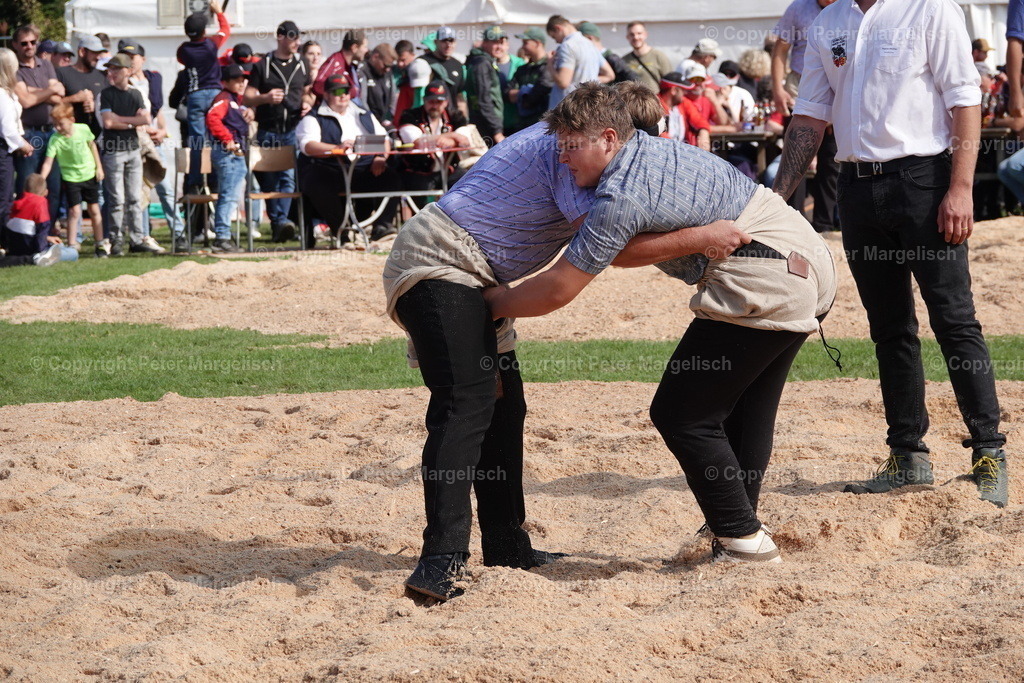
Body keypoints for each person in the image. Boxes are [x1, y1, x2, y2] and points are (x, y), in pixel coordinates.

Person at [380, 82, 746, 600]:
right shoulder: (569, 148)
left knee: (506, 408)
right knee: (466, 403)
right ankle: (441, 560)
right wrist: (704, 238)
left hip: (477, 273)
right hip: (439, 262)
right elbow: (609, 247)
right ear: (615, 136)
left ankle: (507, 544)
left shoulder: (576, 138)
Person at [484, 83, 836, 564]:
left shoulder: (619, 195)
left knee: (680, 413)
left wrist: (492, 301)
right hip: (809, 261)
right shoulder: (656, 151)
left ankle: (742, 540)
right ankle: (733, 527)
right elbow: (623, 251)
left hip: (766, 277)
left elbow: (559, 289)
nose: (562, 158)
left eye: (571, 146)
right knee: (747, 409)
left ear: (609, 138)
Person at [773, 0, 1008, 507]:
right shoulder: (827, 22)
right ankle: (908, 455)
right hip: (858, 189)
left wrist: (961, 188)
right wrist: (774, 201)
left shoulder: (931, 9)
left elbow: (964, 100)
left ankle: (989, 451)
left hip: (924, 181)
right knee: (890, 327)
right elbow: (809, 117)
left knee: (954, 319)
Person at [296, 72, 402, 244]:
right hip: (330, 169)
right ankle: (342, 232)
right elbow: (308, 146)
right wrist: (337, 148)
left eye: (346, 91)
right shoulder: (314, 117)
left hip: (363, 168)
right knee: (316, 181)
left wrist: (380, 157)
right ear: (327, 94)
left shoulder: (363, 114)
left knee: (391, 178)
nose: (343, 96)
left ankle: (382, 228)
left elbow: (384, 140)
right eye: (337, 92)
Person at [772, 0, 841, 233]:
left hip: (835, 85)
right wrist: (777, 88)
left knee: (831, 161)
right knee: (796, 157)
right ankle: (794, 223)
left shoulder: (849, 8)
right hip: (799, 87)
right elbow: (780, 49)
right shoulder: (797, 8)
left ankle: (824, 224)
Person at [244, 20, 313, 243]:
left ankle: (281, 222)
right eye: (293, 37)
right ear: (280, 37)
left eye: (298, 37)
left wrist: (306, 103)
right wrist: (265, 98)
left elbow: (307, 92)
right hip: (268, 130)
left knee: (288, 179)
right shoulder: (263, 64)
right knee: (268, 182)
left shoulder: (302, 63)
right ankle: (278, 223)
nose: (297, 42)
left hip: (292, 129)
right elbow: (247, 96)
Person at [99, 53, 157, 255]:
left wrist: (121, 120)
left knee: (134, 197)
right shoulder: (107, 94)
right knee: (117, 199)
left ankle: (136, 239)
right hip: (114, 151)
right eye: (110, 69)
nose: (111, 73)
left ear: (128, 71)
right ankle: (116, 240)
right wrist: (132, 121)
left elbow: (145, 120)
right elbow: (108, 122)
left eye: (116, 69)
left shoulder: (136, 94)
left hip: (132, 149)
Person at [12, 24, 64, 221]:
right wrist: (49, 91)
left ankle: (48, 230)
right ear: (16, 45)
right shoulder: (14, 68)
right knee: (28, 187)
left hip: (52, 133)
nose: (29, 46)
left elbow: (60, 96)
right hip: (29, 134)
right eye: (24, 43)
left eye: (33, 42)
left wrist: (32, 91)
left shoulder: (47, 64)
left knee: (53, 186)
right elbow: (25, 101)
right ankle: (26, 233)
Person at [177, 0, 230, 193]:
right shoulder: (211, 45)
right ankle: (215, 177)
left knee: (197, 141)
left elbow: (181, 59)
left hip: (196, 95)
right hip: (215, 94)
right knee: (216, 136)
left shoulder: (183, 50)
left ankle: (196, 180)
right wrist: (218, 13)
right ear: (203, 32)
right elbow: (225, 30)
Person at [40, 103, 104, 254]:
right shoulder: (55, 139)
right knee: (74, 211)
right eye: (55, 125)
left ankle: (100, 243)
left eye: (61, 124)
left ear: (72, 120)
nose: (58, 128)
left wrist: (99, 167)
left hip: (89, 174)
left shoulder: (83, 129)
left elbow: (93, 147)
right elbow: (48, 162)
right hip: (71, 178)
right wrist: (41, 180)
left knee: (94, 209)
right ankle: (72, 245)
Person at [396, 80, 469, 200]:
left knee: (469, 183)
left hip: (449, 169)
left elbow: (465, 139)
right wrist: (452, 136)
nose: (434, 106)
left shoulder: (455, 116)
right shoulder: (410, 116)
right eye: (431, 101)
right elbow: (418, 142)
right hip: (418, 171)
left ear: (446, 102)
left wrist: (451, 140)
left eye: (439, 102)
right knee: (420, 193)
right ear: (424, 100)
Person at [206, 64, 250, 253]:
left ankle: (224, 235)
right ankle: (222, 236)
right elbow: (212, 118)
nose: (241, 83)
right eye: (236, 80)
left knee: (231, 196)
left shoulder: (233, 100)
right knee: (228, 195)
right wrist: (228, 139)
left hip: (234, 154)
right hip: (227, 152)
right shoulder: (224, 99)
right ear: (225, 82)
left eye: (242, 80)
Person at [1, 173, 76, 267]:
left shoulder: (15, 204)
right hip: (32, 250)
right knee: (72, 252)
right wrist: (42, 251)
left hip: (14, 249)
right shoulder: (40, 203)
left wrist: (48, 238)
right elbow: (42, 230)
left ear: (24, 189)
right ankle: (37, 258)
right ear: (46, 192)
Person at [0, 48, 34, 237]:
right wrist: (23, 144)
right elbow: (7, 128)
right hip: (3, 149)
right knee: (4, 197)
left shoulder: (7, 94)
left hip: (7, 148)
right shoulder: (2, 96)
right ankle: (3, 242)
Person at [545, 14, 612, 108]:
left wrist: (550, 65)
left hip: (567, 109)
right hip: (587, 106)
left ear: (558, 28)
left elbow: (563, 82)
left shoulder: (567, 46)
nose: (556, 41)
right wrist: (586, 82)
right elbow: (609, 75)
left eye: (554, 37)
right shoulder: (590, 44)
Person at [411, 27, 467, 120]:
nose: (448, 45)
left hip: (451, 118)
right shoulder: (423, 63)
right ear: (436, 42)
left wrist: (463, 120)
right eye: (444, 41)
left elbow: (460, 97)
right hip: (430, 116)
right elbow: (418, 97)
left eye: (451, 41)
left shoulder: (458, 65)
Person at [506, 28, 553, 133]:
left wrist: (523, 95)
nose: (522, 47)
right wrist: (524, 92)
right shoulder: (523, 69)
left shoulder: (549, 67)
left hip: (542, 126)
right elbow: (508, 93)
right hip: (523, 125)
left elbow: (539, 94)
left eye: (525, 43)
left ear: (537, 43)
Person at [56, 35, 105, 136]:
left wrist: (95, 105)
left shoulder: (103, 76)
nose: (98, 57)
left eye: (99, 53)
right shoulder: (62, 73)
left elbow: (112, 104)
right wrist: (74, 98)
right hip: (70, 138)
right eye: (94, 53)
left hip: (98, 138)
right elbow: (51, 105)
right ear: (82, 52)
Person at [466, 26, 508, 144]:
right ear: (484, 43)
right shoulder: (482, 64)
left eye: (501, 42)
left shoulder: (483, 61)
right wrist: (497, 132)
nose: (499, 46)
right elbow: (483, 99)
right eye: (495, 42)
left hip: (486, 124)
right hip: (485, 127)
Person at [657, 72, 711, 150]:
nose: (686, 93)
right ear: (674, 90)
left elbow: (699, 120)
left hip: (682, 151)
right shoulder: (654, 105)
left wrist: (704, 133)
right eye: (683, 90)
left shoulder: (683, 103)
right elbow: (662, 137)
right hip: (663, 152)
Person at [313, 30, 368, 100]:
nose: (366, 50)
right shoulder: (335, 62)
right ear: (354, 48)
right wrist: (337, 96)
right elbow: (318, 85)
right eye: (365, 47)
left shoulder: (350, 66)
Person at [622, 21, 673, 92]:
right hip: (632, 101)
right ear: (627, 37)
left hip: (656, 100)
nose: (636, 37)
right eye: (632, 34)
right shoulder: (624, 60)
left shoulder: (658, 56)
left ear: (645, 35)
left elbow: (670, 83)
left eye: (639, 33)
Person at [356, 44, 398, 131]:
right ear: (375, 57)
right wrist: (372, 121)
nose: (387, 69)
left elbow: (393, 99)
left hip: (383, 120)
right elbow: (362, 101)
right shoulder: (362, 71)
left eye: (390, 67)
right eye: (385, 65)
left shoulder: (387, 73)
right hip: (366, 122)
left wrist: (390, 119)